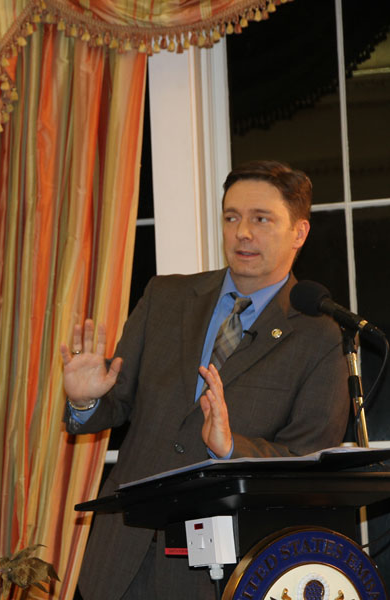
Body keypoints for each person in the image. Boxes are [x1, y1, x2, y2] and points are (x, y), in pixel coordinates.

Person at [61, 160, 348, 599]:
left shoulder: (319, 336)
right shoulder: (165, 297)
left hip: (224, 572)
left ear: (299, 233)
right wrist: (86, 401)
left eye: (261, 219)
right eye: (231, 217)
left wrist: (231, 448)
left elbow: (308, 463)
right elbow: (116, 404)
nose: (242, 233)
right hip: (119, 558)